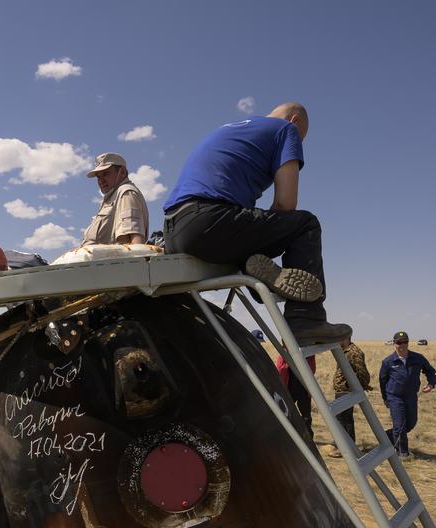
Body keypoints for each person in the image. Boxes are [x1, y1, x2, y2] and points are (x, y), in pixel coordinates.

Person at [161, 102, 350, 345]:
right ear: (294, 120)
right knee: (305, 224)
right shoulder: (285, 130)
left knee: (247, 228)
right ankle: (307, 319)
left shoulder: (232, 129)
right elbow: (285, 203)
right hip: (211, 220)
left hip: (175, 231)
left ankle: (261, 272)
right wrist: (274, 235)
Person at [379, 331, 436, 458]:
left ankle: (386, 436)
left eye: (405, 342)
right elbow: (382, 381)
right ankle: (402, 453)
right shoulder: (388, 362)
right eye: (399, 343)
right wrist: (385, 398)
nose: (402, 345)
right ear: (394, 344)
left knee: (411, 423)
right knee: (399, 425)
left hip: (411, 396)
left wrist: (431, 384)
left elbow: (430, 371)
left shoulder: (418, 358)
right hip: (395, 397)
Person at [81, 153, 150, 246]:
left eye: (105, 174)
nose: (101, 180)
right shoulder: (112, 197)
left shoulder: (126, 192)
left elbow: (136, 242)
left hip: (115, 260)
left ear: (122, 172)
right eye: (98, 177)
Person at [329, 334, 371, 455]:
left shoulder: (354, 352)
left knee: (342, 418)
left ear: (346, 338)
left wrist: (360, 386)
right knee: (344, 419)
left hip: (347, 390)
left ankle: (345, 448)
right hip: (342, 389)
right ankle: (348, 446)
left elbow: (362, 372)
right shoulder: (343, 350)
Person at [276, 354, 316, 436]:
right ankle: (287, 435)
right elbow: (280, 369)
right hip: (289, 385)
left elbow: (312, 369)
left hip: (303, 386)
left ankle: (307, 437)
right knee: (286, 412)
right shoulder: (284, 353)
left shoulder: (308, 353)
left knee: (306, 416)